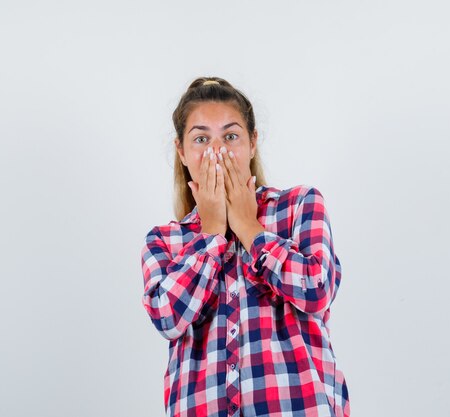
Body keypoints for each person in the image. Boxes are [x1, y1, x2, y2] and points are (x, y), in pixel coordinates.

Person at [140, 76, 350, 417]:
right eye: (201, 138)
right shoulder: (165, 240)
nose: (217, 151)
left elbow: (316, 289)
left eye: (231, 136)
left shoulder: (298, 206)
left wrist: (249, 229)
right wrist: (211, 233)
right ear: (181, 151)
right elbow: (167, 319)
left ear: (252, 143)